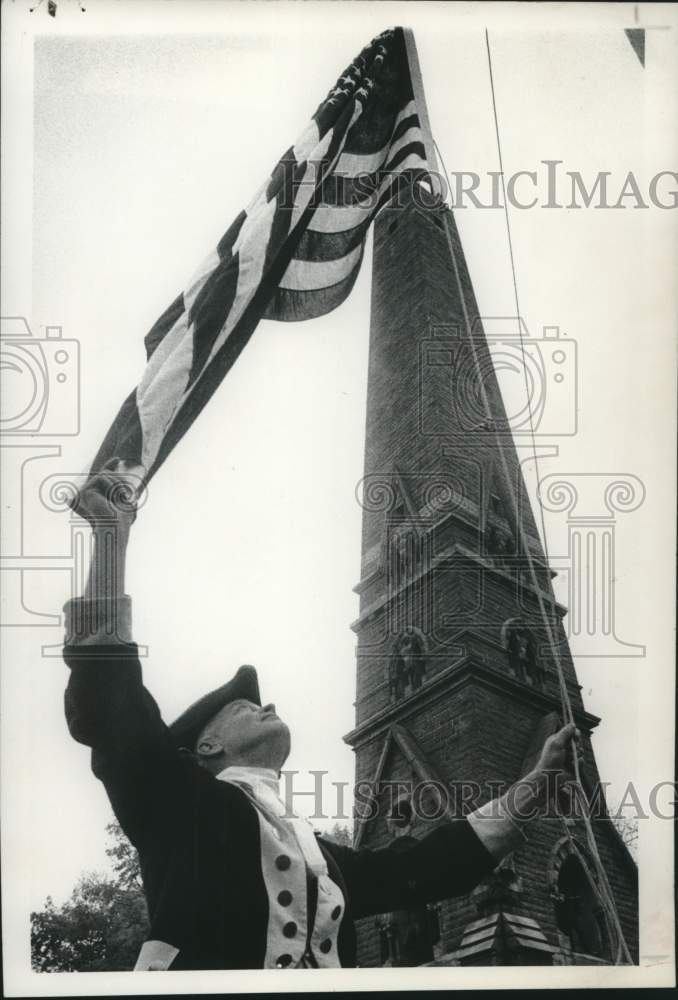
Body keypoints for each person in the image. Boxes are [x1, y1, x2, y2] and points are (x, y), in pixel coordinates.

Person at [63, 459, 582, 971]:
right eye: (247, 707)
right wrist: (111, 539)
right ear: (207, 746)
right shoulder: (178, 804)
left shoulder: (324, 858)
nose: (268, 705)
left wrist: (532, 787)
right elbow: (112, 704)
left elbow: (425, 869)